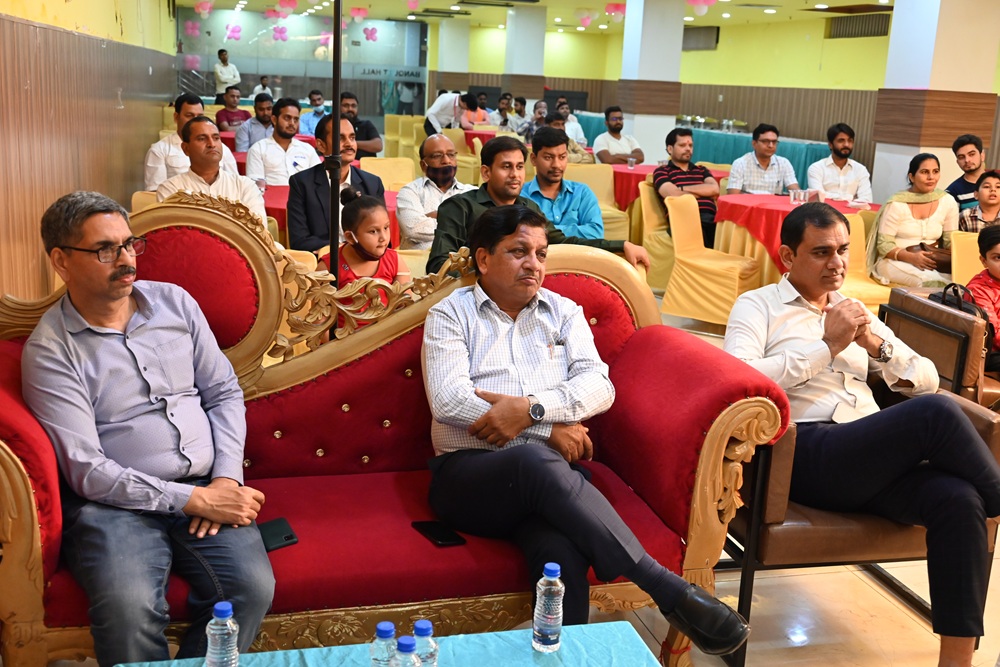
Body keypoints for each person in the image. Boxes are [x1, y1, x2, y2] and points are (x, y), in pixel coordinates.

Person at [422, 204, 750, 656]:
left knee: (560, 556)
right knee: (534, 460)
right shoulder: (451, 314)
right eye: (518, 252)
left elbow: (599, 386)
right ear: (483, 258)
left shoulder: (563, 312)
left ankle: (564, 659)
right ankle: (665, 587)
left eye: (541, 253)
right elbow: (450, 400)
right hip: (470, 478)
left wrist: (531, 411)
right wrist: (549, 433)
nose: (533, 264)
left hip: (550, 481)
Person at [724, 201, 1000, 667]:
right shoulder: (758, 306)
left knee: (959, 499)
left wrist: (876, 344)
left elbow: (926, 378)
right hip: (805, 453)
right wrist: (826, 345)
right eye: (821, 252)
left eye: (843, 250)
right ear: (788, 256)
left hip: (868, 454)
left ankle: (956, 662)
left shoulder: (853, 309)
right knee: (935, 414)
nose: (836, 263)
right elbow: (739, 380)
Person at [21, 191, 275, 666]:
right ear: (61, 261)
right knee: (128, 607)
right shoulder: (52, 351)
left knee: (251, 587)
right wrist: (193, 501)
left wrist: (225, 479)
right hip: (112, 507)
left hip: (207, 483)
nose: (125, 259)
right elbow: (86, 469)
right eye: (105, 249)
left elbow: (224, 392)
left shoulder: (174, 303)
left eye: (128, 244)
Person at [426, 135, 650, 274]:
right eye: (506, 167)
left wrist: (621, 245)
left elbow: (564, 242)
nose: (515, 175)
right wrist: (490, 276)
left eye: (519, 167)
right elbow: (438, 265)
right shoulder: (460, 207)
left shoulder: (529, 208)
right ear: (486, 172)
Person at [287, 114, 384, 253]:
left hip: (365, 261)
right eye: (340, 138)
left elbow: (383, 238)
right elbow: (299, 241)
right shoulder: (302, 184)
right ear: (321, 145)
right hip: (323, 263)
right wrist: (344, 250)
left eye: (352, 138)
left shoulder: (372, 184)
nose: (349, 144)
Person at [867, 153, 959, 287]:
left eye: (935, 171)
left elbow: (950, 241)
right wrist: (912, 258)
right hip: (895, 261)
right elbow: (884, 246)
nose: (931, 177)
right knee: (931, 283)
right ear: (912, 177)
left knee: (959, 284)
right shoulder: (897, 204)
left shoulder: (947, 201)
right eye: (924, 172)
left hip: (933, 263)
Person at [156, 116, 266, 222]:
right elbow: (173, 232)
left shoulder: (245, 186)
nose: (212, 144)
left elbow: (258, 229)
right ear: (186, 148)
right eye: (202, 139)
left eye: (216, 138)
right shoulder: (170, 189)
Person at [144, 93, 238, 191]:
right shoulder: (159, 150)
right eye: (189, 116)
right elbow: (155, 192)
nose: (196, 120)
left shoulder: (220, 148)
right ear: (176, 117)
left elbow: (234, 185)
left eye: (199, 116)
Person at [396, 134, 475, 250]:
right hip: (420, 260)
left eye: (451, 155)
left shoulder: (471, 193)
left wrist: (437, 216)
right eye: (437, 156)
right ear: (423, 165)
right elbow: (413, 229)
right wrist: (461, 222)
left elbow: (482, 230)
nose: (446, 161)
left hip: (462, 261)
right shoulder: (410, 192)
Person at [522, 127, 604, 239]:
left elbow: (596, 233)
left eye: (562, 157)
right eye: (548, 157)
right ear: (533, 159)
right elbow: (523, 235)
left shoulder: (582, 193)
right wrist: (575, 230)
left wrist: (546, 231)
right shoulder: (521, 196)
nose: (556, 165)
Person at [653, 128, 720, 247]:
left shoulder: (701, 170)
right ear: (670, 149)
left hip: (711, 218)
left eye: (690, 145)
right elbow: (673, 194)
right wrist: (704, 192)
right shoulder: (662, 171)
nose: (688, 149)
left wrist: (682, 188)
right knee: (703, 230)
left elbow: (715, 189)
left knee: (729, 227)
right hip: (683, 219)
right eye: (682, 145)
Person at [336, 187, 409, 293]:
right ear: (350, 237)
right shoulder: (329, 266)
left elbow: (406, 301)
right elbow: (320, 303)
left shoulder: (394, 261)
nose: (383, 238)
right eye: (373, 231)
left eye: (386, 227)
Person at [245, 98, 321, 188]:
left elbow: (320, 182)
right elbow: (256, 188)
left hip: (304, 197)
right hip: (271, 197)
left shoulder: (307, 149)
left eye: (296, 119)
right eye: (287, 118)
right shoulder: (258, 149)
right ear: (274, 120)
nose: (292, 123)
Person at [806, 123, 872, 203]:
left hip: (851, 211)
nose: (846, 144)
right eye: (841, 141)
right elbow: (817, 197)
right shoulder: (816, 168)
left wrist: (828, 195)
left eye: (850, 141)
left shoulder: (861, 170)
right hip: (824, 210)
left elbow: (867, 200)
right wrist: (850, 197)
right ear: (830, 145)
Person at [727, 124, 799, 195]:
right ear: (754, 144)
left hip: (773, 202)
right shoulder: (740, 164)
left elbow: (795, 192)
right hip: (748, 202)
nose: (771, 145)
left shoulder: (784, 163)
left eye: (774, 142)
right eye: (765, 141)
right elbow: (733, 196)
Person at [966, 224, 1000, 351]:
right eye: (998, 258)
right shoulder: (979, 290)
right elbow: (994, 335)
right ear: (984, 261)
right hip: (991, 352)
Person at [947, 134, 988, 212]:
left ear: (982, 155)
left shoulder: (997, 182)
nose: (967, 160)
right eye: (961, 157)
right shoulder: (953, 192)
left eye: (971, 154)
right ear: (957, 162)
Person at [341, 91, 383, 158]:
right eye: (346, 105)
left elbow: (378, 146)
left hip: (364, 163)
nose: (350, 109)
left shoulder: (366, 125)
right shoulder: (333, 126)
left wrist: (352, 143)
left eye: (353, 106)